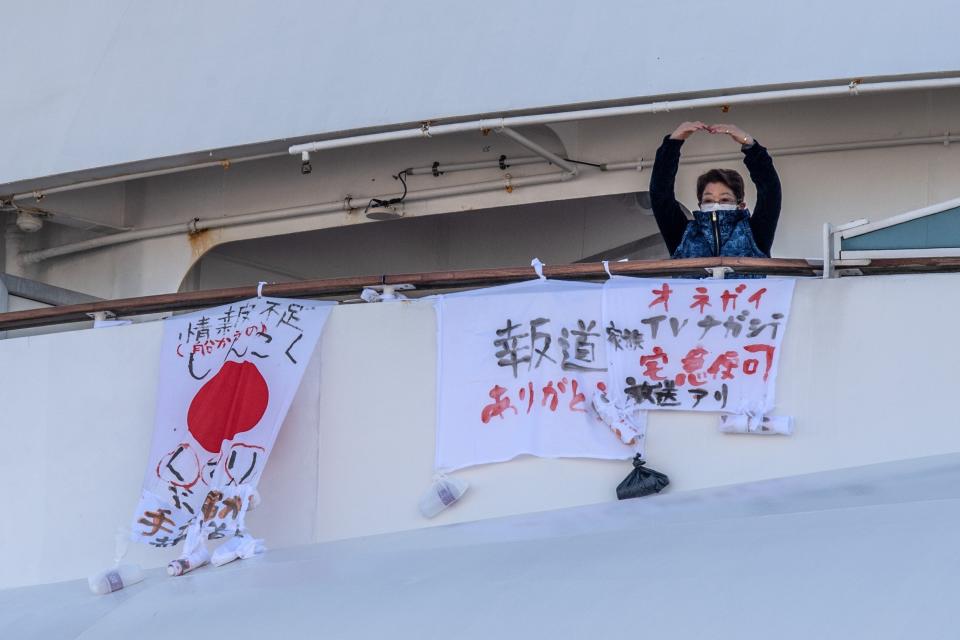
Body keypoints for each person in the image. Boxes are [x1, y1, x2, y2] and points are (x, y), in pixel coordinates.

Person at [649, 121, 781, 258]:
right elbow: (660, 195)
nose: (716, 205)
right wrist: (673, 142)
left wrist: (750, 144)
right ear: (700, 205)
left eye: (725, 199)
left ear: (740, 205)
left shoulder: (755, 233)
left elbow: (770, 190)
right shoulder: (683, 234)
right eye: (708, 200)